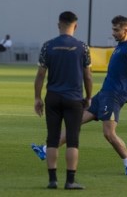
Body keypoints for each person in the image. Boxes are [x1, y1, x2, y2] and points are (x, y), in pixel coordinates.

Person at [32, 15, 127, 176]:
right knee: (74, 123)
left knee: (109, 133)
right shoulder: (119, 47)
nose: (113, 33)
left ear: (126, 30)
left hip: (114, 95)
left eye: (116, 30)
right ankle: (44, 150)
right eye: (113, 29)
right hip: (103, 94)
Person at [33, 11, 92, 190]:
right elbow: (88, 76)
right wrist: (88, 97)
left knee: (52, 138)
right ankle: (70, 181)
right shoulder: (83, 47)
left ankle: (52, 180)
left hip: (53, 97)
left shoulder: (48, 46)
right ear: (76, 25)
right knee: (72, 139)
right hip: (74, 99)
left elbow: (41, 75)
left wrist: (37, 97)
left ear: (59, 25)